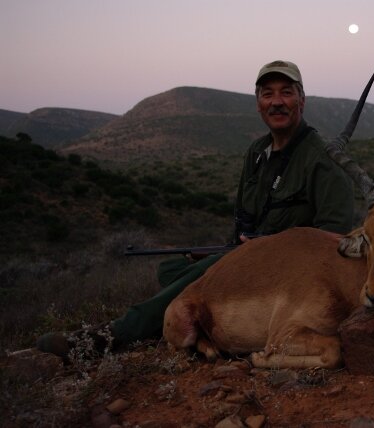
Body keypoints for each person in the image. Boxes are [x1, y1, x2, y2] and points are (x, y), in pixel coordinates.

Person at [37, 60, 355, 360]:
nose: (277, 101)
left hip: (291, 274)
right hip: (248, 257)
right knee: (172, 270)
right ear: (258, 103)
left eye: (287, 92)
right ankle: (191, 309)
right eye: (267, 93)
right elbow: (243, 220)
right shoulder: (257, 152)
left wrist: (267, 247)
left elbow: (333, 240)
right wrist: (241, 248)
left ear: (302, 99)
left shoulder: (322, 158)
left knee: (201, 275)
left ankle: (105, 338)